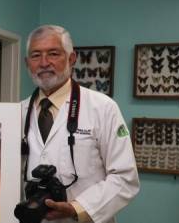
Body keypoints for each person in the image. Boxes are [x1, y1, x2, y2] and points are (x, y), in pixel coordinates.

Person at [21, 25, 140, 223]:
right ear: (27, 63)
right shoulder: (17, 113)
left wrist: (77, 208)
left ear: (71, 58)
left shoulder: (102, 108)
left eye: (53, 53)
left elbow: (125, 178)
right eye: (35, 56)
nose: (44, 63)